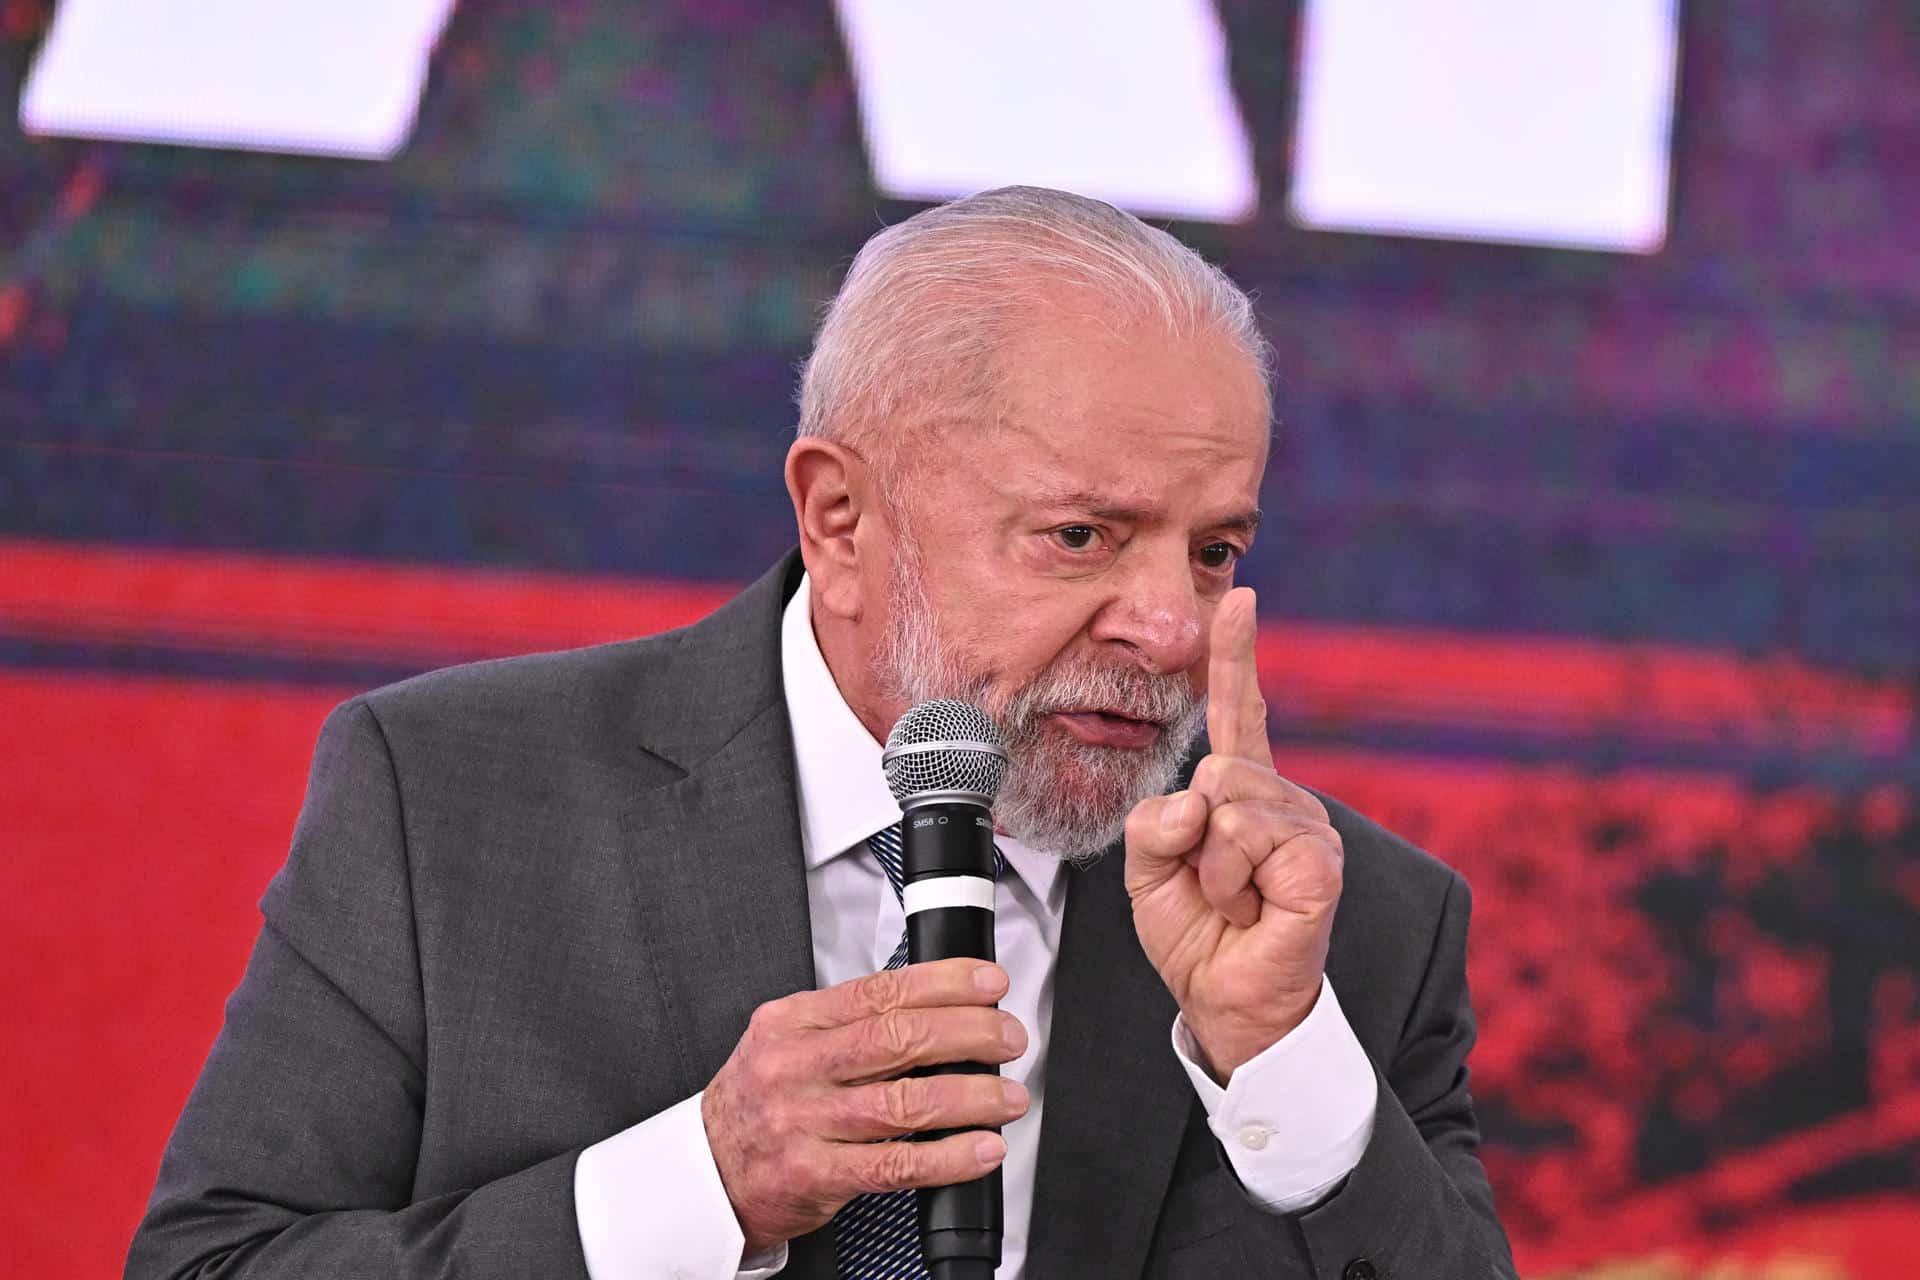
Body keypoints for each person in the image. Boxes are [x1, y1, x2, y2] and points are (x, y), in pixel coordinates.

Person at [128, 187, 1515, 1279]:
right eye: (1081, 536)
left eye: (1212, 552)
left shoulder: (1346, 936)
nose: (1165, 626)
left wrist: (1285, 1066)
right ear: (841, 521)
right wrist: (695, 1183)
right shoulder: (452, 805)